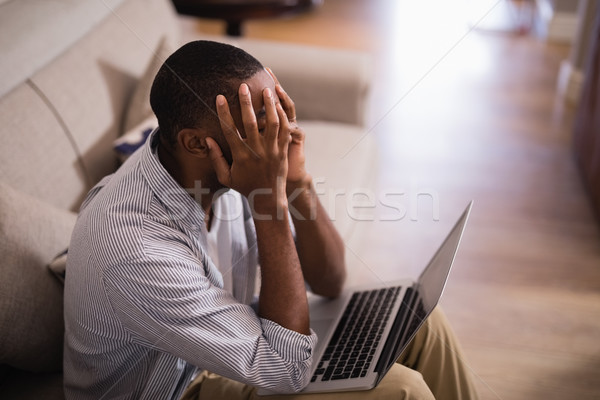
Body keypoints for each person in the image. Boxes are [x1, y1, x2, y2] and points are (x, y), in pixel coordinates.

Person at [63, 40, 478, 400]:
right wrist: (270, 201)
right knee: (404, 392)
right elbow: (286, 368)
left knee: (422, 323)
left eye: (279, 113)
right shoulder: (134, 249)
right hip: (179, 390)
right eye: (262, 125)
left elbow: (330, 280)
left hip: (226, 352)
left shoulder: (224, 171)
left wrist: (295, 181)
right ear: (195, 142)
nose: (277, 137)